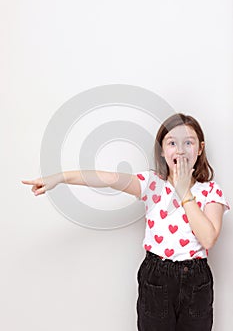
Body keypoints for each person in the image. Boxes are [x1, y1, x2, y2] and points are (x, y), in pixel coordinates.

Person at [22, 113, 230, 331]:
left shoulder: (210, 191)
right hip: (156, 278)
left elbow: (208, 238)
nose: (179, 149)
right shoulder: (151, 183)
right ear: (162, 150)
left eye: (188, 142)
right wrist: (60, 178)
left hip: (196, 281)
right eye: (172, 142)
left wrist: (184, 190)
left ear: (200, 148)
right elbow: (108, 179)